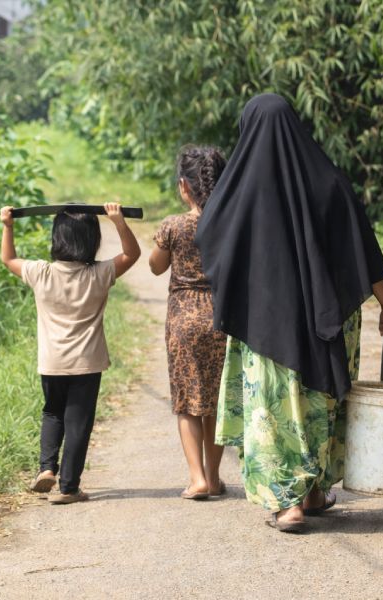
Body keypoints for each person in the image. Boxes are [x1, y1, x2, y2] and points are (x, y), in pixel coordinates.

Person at [196, 94, 383, 532]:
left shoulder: (237, 192)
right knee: (319, 401)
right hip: (327, 324)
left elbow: (208, 239)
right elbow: (364, 252)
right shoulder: (330, 183)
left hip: (266, 326)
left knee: (276, 409)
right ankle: (312, 491)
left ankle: (288, 503)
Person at [0, 203, 140, 504]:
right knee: (78, 422)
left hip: (51, 362)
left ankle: (47, 467)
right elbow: (132, 255)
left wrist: (8, 226)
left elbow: (8, 258)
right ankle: (68, 487)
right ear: (91, 241)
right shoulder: (100, 274)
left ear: (56, 239)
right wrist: (119, 222)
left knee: (52, 412)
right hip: (87, 364)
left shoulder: (40, 273)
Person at [149, 145, 229, 499]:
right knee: (215, 399)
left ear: (184, 186)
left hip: (183, 319)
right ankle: (213, 477)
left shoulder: (174, 226)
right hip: (222, 317)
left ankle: (196, 479)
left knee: (187, 401)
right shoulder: (230, 222)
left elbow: (155, 265)